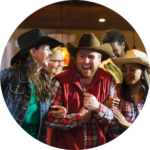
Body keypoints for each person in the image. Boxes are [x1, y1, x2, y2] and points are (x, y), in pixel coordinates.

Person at [45, 33, 118, 150]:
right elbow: (48, 119)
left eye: (91, 57)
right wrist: (78, 118)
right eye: (82, 56)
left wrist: (98, 107)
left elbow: (114, 121)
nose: (86, 61)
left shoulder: (109, 80)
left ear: (99, 60)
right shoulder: (59, 81)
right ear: (76, 58)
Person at [0, 28, 67, 150]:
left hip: (37, 138)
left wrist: (57, 109)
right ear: (33, 51)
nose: (50, 53)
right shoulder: (10, 75)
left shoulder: (44, 79)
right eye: (46, 49)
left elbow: (36, 108)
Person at [107, 50, 150, 149]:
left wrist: (128, 125)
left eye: (132, 70)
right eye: (125, 70)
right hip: (115, 143)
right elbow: (108, 120)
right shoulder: (117, 90)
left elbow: (147, 129)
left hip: (141, 144)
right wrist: (106, 105)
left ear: (143, 72)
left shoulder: (148, 96)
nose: (127, 73)